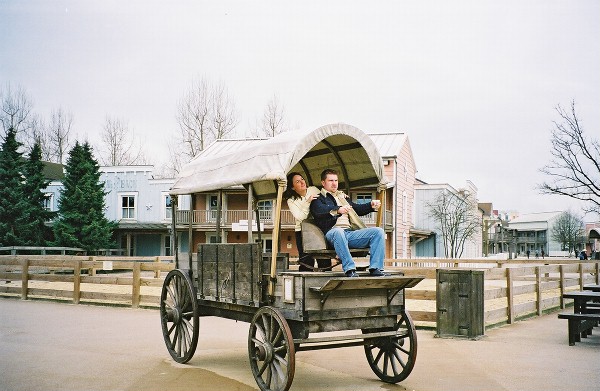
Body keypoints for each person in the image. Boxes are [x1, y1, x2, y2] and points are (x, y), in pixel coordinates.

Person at [310, 168, 388, 277]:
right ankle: (350, 269)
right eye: (330, 181)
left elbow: (357, 209)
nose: (334, 184)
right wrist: (338, 210)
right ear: (323, 183)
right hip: (332, 233)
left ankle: (375, 268)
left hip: (349, 233)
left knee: (378, 232)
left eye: (336, 181)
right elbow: (319, 211)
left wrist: (371, 205)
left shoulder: (342, 197)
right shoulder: (318, 199)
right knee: (338, 232)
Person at [284, 172, 331, 271]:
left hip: (318, 227)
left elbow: (326, 201)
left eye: (302, 179)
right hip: (301, 230)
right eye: (297, 181)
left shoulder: (313, 189)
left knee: (323, 257)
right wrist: (308, 202)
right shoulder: (291, 200)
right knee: (306, 260)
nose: (302, 182)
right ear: (292, 187)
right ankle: (304, 284)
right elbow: (301, 217)